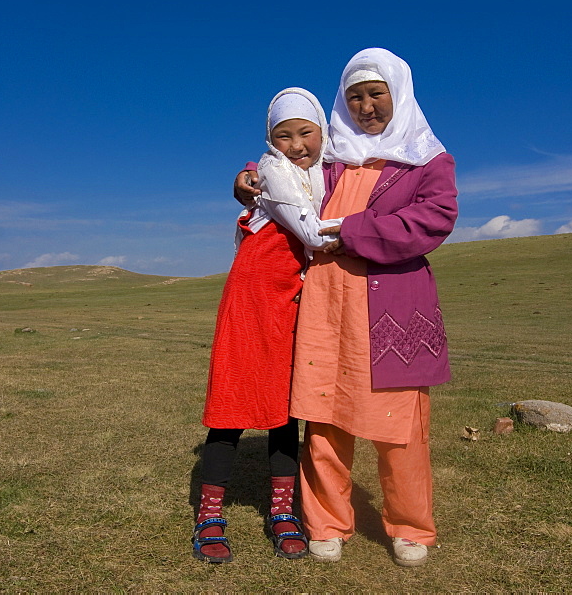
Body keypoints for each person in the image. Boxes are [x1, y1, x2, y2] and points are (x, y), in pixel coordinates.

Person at [235, 48, 457, 567]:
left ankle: (410, 527)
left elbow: (434, 220)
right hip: (327, 306)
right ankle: (327, 522)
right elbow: (290, 155)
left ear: (398, 94)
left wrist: (353, 230)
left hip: (393, 309)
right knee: (323, 420)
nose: (366, 107)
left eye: (376, 94)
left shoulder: (428, 159)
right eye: (355, 97)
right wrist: (246, 174)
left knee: (399, 428)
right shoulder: (334, 153)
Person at [193, 87, 342, 564]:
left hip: (297, 300)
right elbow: (310, 232)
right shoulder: (273, 174)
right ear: (271, 140)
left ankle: (282, 510)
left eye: (306, 133)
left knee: (286, 404)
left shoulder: (326, 175)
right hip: (253, 298)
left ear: (323, 131)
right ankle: (209, 513)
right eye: (284, 135)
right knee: (234, 398)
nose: (296, 144)